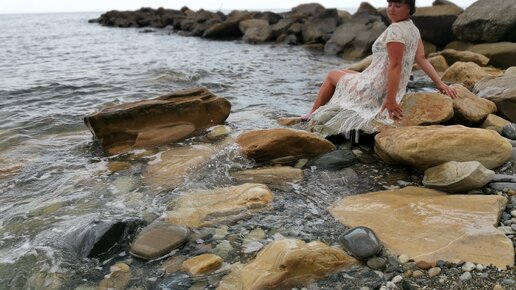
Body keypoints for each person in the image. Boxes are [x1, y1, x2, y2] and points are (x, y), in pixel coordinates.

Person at [304, 0, 458, 137]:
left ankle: (311, 114)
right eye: (390, 4)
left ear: (409, 8)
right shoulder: (413, 29)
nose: (392, 9)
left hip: (376, 89)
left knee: (332, 75)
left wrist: (390, 100)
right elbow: (421, 58)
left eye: (398, 5)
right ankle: (316, 111)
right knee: (348, 72)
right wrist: (440, 83)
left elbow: (396, 65)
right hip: (380, 81)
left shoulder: (395, 31)